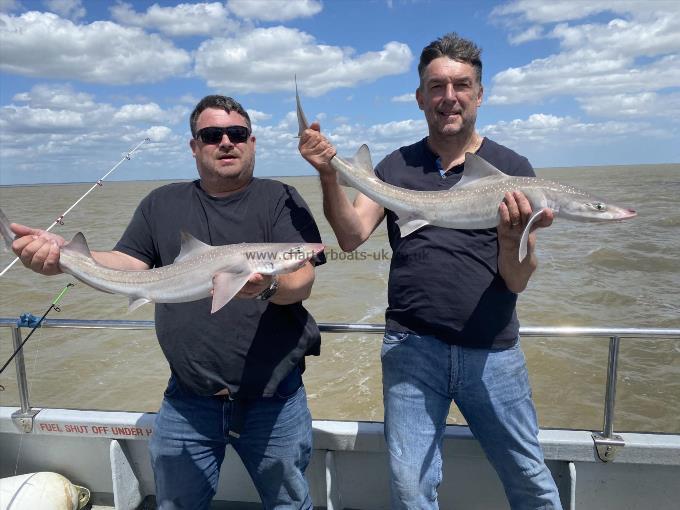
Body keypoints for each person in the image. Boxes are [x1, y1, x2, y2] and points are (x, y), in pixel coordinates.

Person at [11, 95, 325, 509]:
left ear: (253, 141)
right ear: (195, 146)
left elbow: (301, 277)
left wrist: (266, 287)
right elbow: (127, 264)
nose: (226, 142)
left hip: (275, 400)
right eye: (212, 135)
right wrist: (67, 260)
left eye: (237, 134)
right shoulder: (162, 203)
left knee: (289, 504)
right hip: (188, 400)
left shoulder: (280, 197)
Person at [299, 33, 562, 509]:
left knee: (530, 480)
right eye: (436, 86)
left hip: (493, 352)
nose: (449, 97)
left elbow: (519, 279)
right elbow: (352, 235)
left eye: (461, 85)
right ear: (420, 97)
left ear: (479, 94)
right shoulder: (395, 165)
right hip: (411, 350)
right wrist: (327, 173)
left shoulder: (512, 170)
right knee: (410, 488)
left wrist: (510, 239)